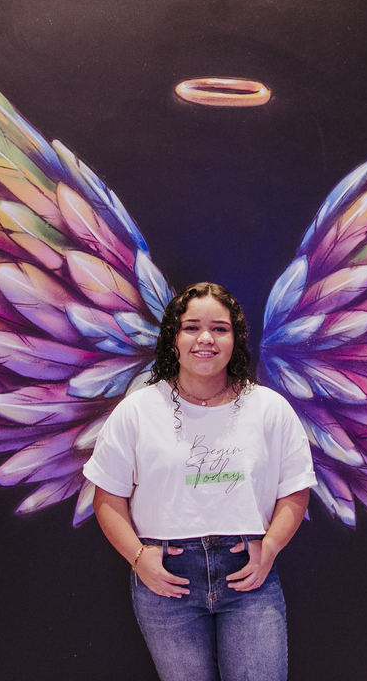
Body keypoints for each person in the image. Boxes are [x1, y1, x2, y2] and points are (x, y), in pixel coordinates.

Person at [83, 282, 316, 681]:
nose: (205, 338)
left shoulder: (269, 408)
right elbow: (107, 497)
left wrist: (271, 547)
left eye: (219, 329)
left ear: (235, 339)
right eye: (191, 327)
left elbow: (295, 489)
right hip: (167, 581)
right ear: (173, 338)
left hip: (248, 577)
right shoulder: (137, 410)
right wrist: (138, 558)